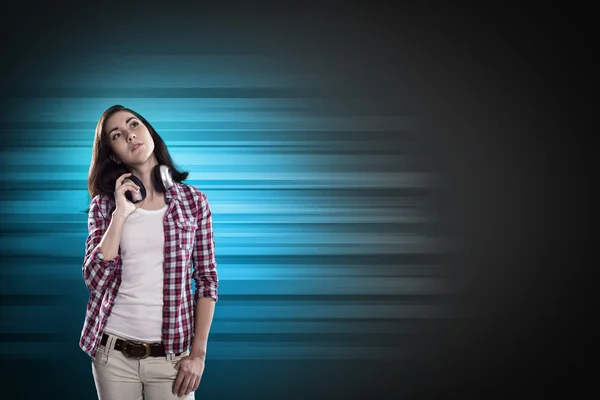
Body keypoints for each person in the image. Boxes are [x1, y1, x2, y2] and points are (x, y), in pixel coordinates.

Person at [79, 104, 219, 399]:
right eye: (117, 135)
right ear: (114, 155)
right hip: (112, 356)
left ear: (149, 132)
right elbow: (94, 280)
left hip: (173, 359)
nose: (129, 136)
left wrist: (198, 355)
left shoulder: (195, 203)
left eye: (133, 125)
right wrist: (120, 214)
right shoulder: (104, 206)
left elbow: (206, 281)